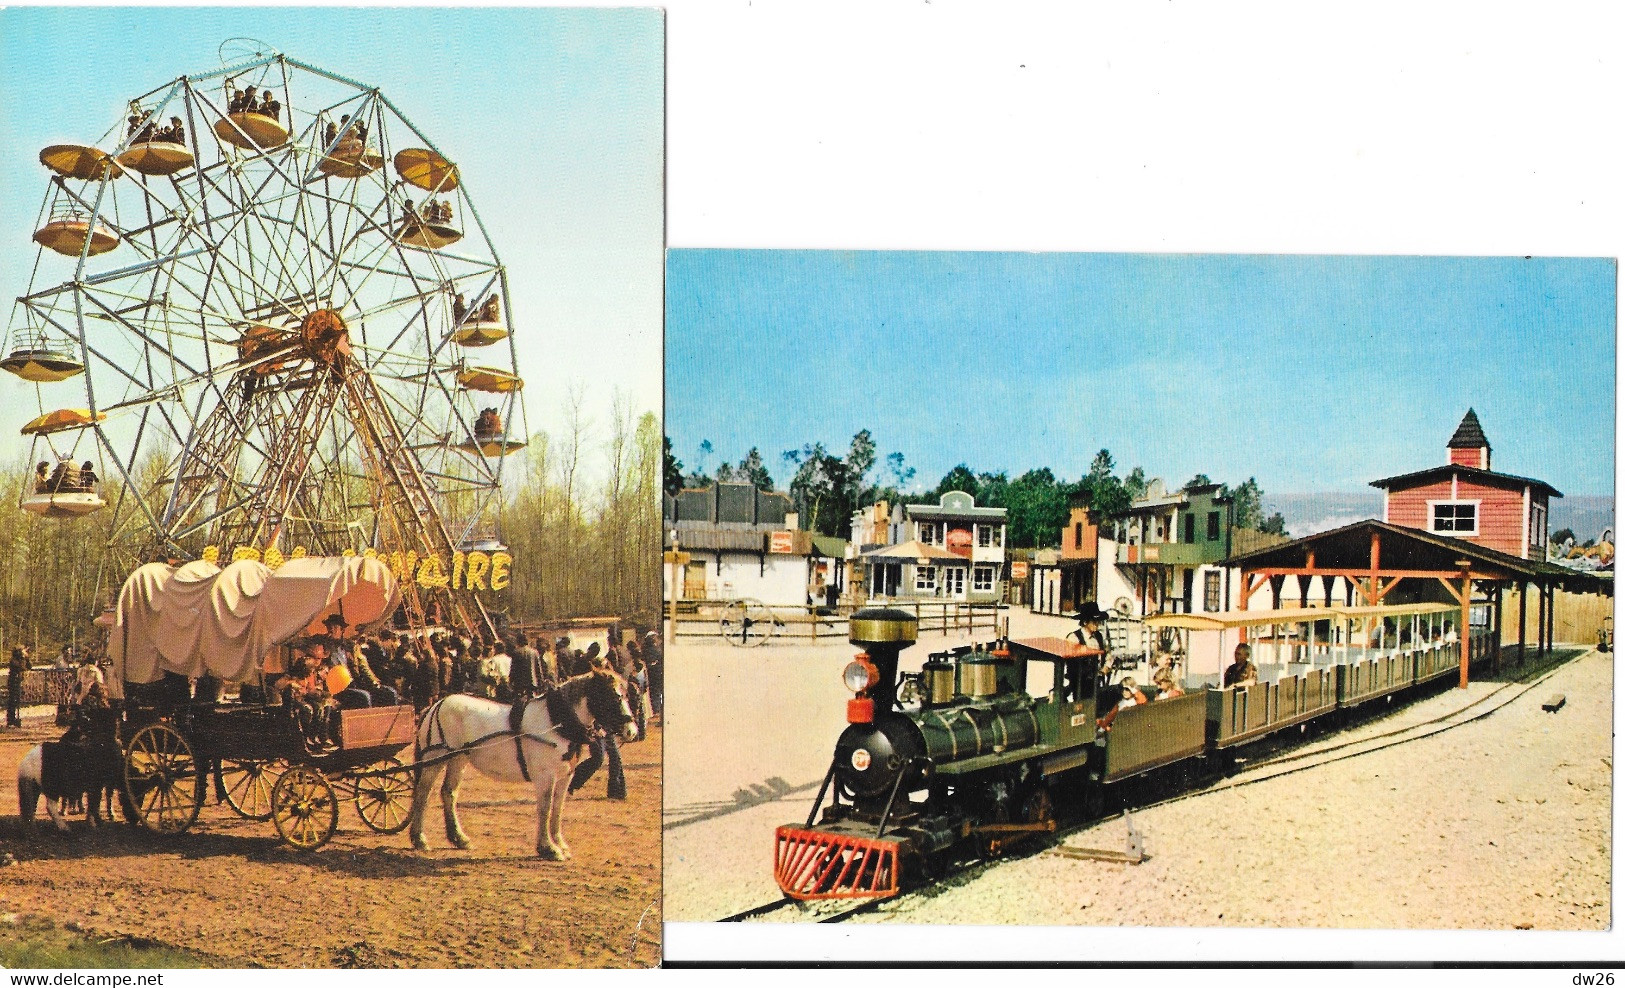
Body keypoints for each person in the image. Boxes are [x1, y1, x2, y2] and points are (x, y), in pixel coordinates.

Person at [509, 632, 544, 698]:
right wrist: (541, 681)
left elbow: (513, 669)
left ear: (518, 641)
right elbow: (538, 669)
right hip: (532, 682)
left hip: (520, 683)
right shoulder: (534, 652)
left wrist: (511, 681)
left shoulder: (516, 652)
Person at [7, 644, 28, 728]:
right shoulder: (13, 661)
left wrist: (27, 658)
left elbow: (29, 666)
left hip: (19, 681)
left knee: (17, 701)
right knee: (12, 701)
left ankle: (15, 719)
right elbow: (21, 667)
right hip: (13, 682)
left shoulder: (20, 659)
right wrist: (23, 658)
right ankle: (10, 720)